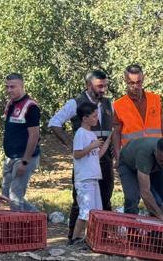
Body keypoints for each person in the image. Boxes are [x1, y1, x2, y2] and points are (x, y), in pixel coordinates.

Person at [48, 70, 115, 243]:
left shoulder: (108, 104)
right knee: (81, 202)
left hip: (104, 159)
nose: (103, 89)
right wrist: (71, 144)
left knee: (105, 198)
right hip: (85, 163)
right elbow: (54, 122)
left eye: (105, 85)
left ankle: (101, 238)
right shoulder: (75, 103)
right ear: (88, 85)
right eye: (100, 86)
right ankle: (73, 237)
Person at [71, 102, 112, 243]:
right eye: (94, 116)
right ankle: (75, 237)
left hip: (94, 177)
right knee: (85, 210)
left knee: (96, 211)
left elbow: (97, 155)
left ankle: (90, 238)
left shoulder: (91, 135)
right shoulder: (80, 134)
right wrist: (92, 146)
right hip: (84, 179)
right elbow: (77, 154)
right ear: (84, 118)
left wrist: (107, 142)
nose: (96, 119)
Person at [111, 64, 163, 161]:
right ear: (125, 81)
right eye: (131, 83)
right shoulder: (118, 105)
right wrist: (118, 157)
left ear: (143, 79)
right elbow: (116, 133)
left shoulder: (155, 99)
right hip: (132, 156)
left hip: (156, 154)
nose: (136, 86)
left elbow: (162, 122)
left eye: (139, 82)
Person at [1, 73, 40, 211]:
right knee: (6, 194)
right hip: (10, 156)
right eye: (7, 87)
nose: (9, 90)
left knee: (15, 196)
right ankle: (37, 216)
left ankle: (17, 229)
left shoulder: (31, 106)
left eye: (12, 87)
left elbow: (34, 136)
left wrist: (25, 161)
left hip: (24, 157)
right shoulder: (11, 104)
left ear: (22, 86)